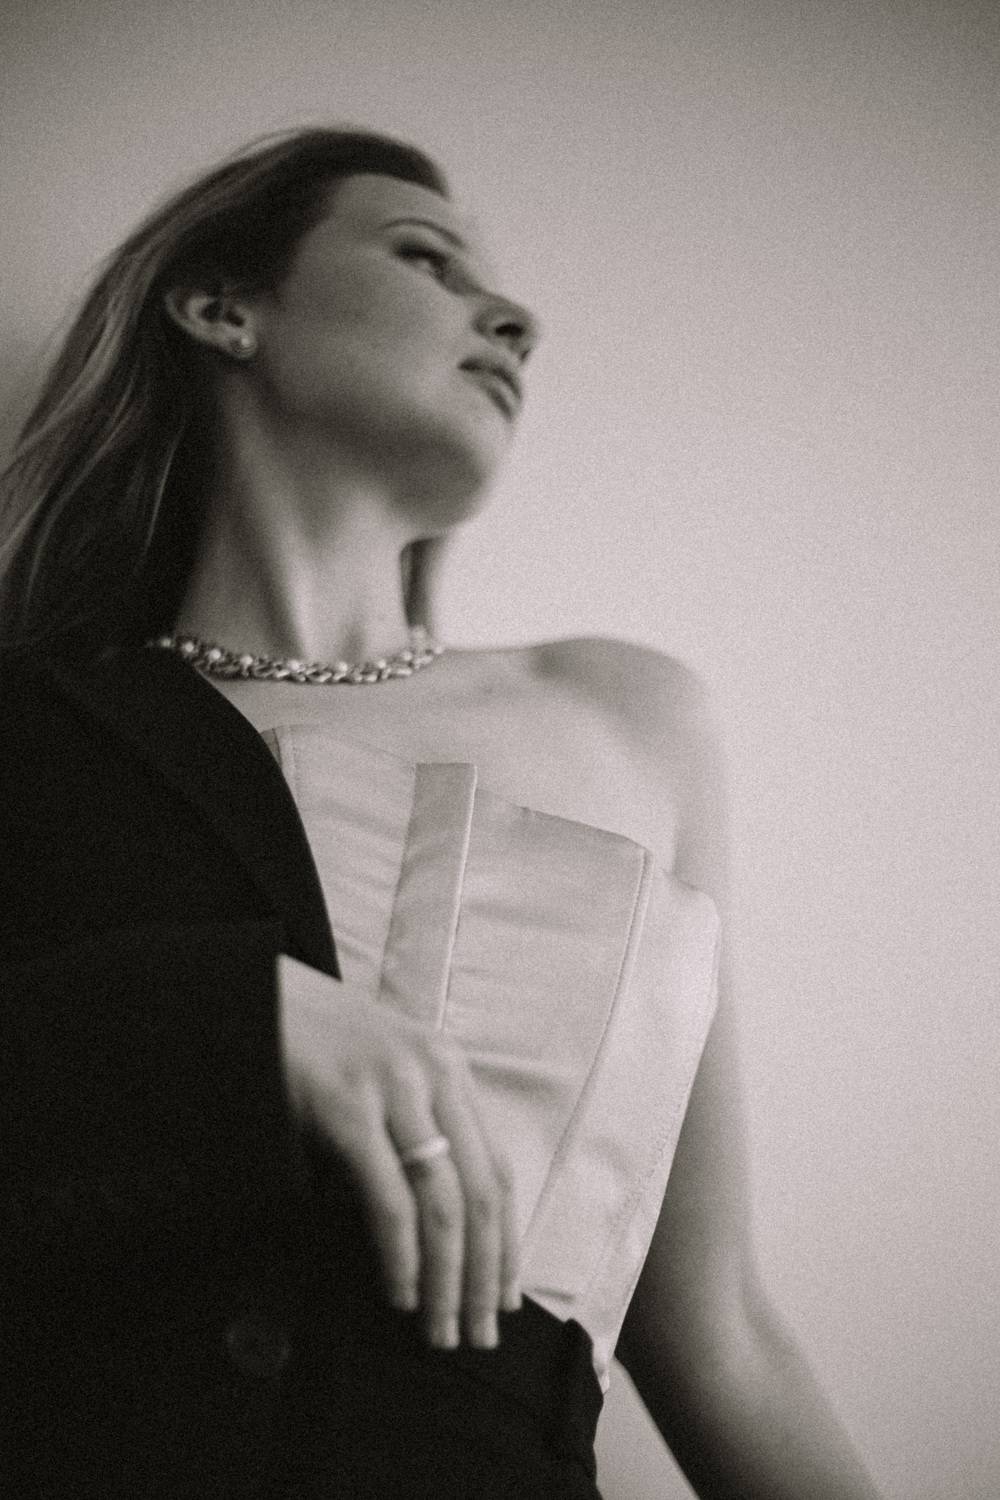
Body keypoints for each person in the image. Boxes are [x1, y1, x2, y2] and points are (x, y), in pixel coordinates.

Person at [0, 126, 883, 1498]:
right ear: (223, 308)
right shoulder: (38, 725)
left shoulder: (631, 720)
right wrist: (231, 1019)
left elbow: (719, 1335)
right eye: (427, 259)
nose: (514, 316)